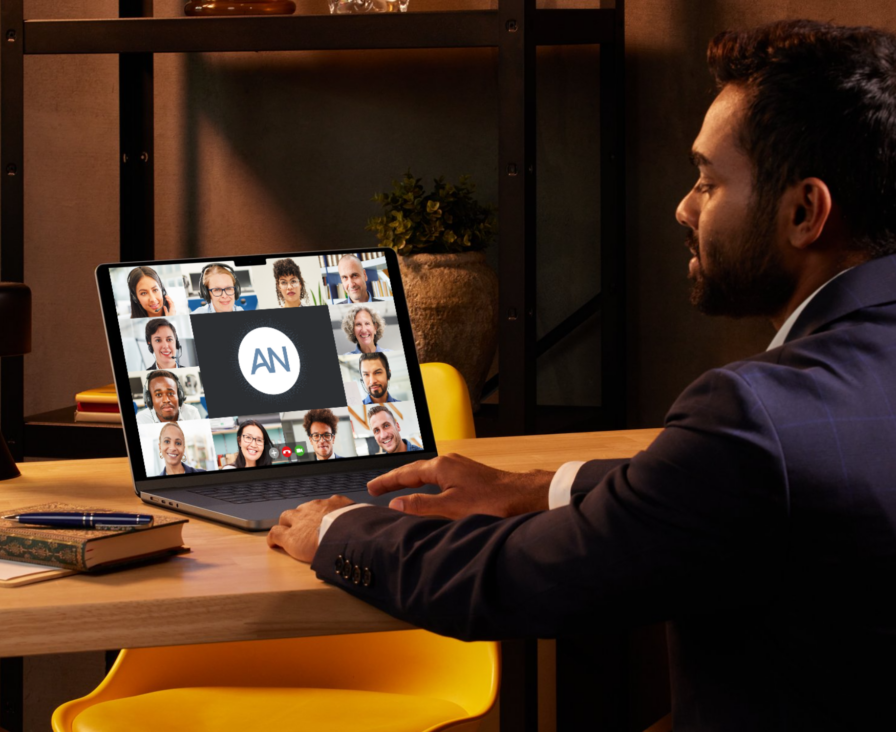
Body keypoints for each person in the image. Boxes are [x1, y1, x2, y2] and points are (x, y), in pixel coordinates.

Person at [267, 20, 896, 730]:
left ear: (805, 211)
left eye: (709, 182)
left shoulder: (754, 416)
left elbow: (522, 581)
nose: (684, 208)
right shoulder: (789, 426)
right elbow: (731, 492)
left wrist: (340, 530)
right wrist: (537, 488)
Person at [136, 370, 202, 424]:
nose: (166, 400)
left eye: (170, 393)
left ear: (179, 395)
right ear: (149, 399)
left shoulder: (192, 414)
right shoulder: (142, 420)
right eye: (158, 394)